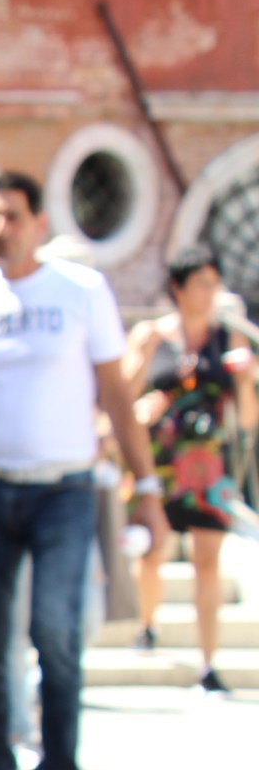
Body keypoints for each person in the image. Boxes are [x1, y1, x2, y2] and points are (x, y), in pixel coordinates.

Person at [0, 169, 168, 770]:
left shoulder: (82, 292)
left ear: (38, 221)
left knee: (57, 635)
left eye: (10, 215)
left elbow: (116, 396)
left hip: (64, 488)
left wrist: (146, 487)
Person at [123, 243, 259, 691]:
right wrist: (143, 408)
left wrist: (246, 379)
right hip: (158, 460)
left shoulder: (229, 341)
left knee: (208, 563)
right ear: (178, 287)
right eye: (202, 282)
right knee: (152, 550)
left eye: (213, 283)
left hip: (207, 464)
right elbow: (121, 394)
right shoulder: (151, 337)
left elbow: (248, 419)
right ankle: (147, 624)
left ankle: (208, 662)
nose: (210, 292)